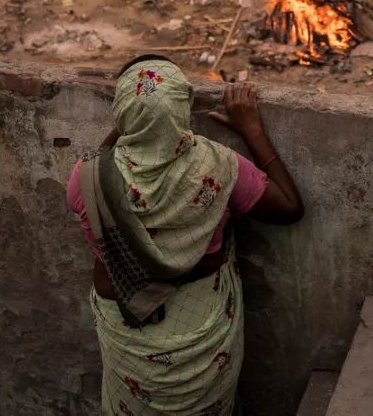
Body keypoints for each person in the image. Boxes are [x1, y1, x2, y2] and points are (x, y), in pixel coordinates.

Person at [66, 58, 303, 415]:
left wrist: (132, 122)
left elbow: (102, 161)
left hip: (127, 329)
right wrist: (251, 129)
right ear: (184, 109)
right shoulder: (220, 165)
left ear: (120, 110)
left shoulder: (87, 175)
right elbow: (289, 208)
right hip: (201, 329)